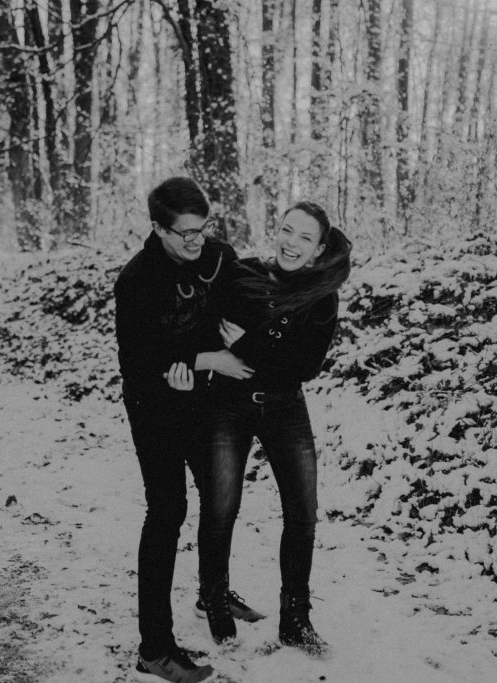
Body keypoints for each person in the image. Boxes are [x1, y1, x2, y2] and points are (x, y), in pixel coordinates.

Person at [114, 177, 260, 683]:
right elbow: (137, 361)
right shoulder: (137, 279)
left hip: (202, 399)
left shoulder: (217, 255)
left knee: (221, 494)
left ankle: (211, 593)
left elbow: (244, 301)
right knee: (167, 510)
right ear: (158, 228)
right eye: (185, 233)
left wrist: (239, 332)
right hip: (152, 404)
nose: (197, 241)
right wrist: (205, 359)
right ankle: (154, 648)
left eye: (203, 229)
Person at [194, 200, 351, 654]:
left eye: (305, 237)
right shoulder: (243, 274)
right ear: (276, 230)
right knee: (221, 506)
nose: (292, 243)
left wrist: (248, 345)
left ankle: (295, 619)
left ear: (319, 249)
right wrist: (240, 352)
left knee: (303, 514)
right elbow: (210, 330)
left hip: (285, 407)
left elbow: (306, 366)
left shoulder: (321, 296)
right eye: (287, 230)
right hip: (228, 405)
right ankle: (213, 598)